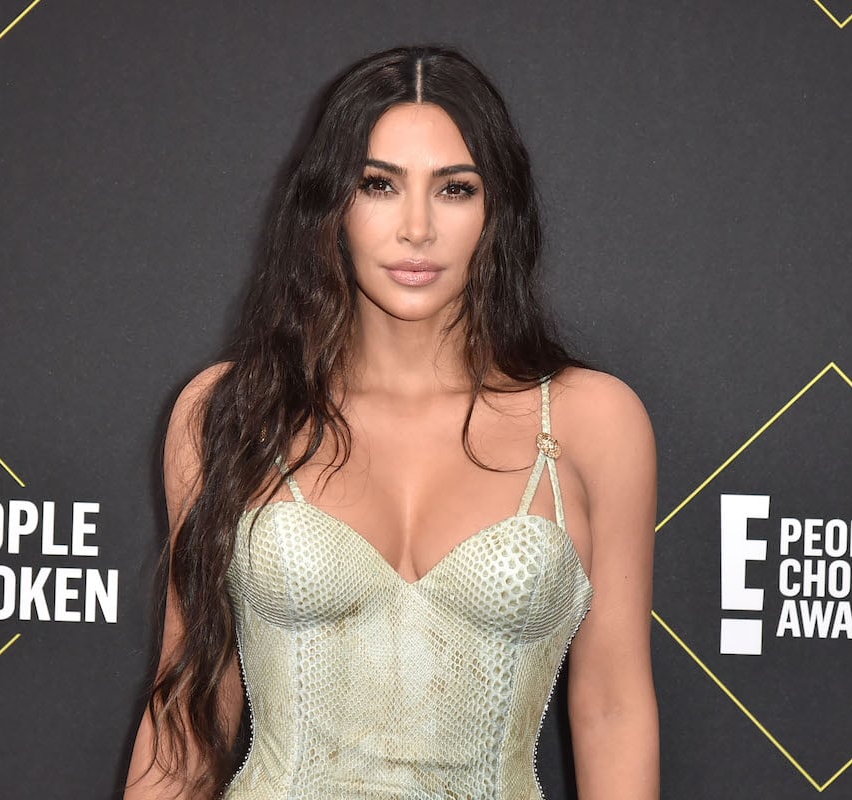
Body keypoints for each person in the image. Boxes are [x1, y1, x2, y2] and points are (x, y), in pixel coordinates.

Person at [125, 45, 658, 799]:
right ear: (330, 204)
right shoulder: (229, 411)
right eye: (378, 184)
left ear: (498, 210)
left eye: (455, 189)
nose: (417, 228)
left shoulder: (594, 420)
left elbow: (611, 708)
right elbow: (187, 711)